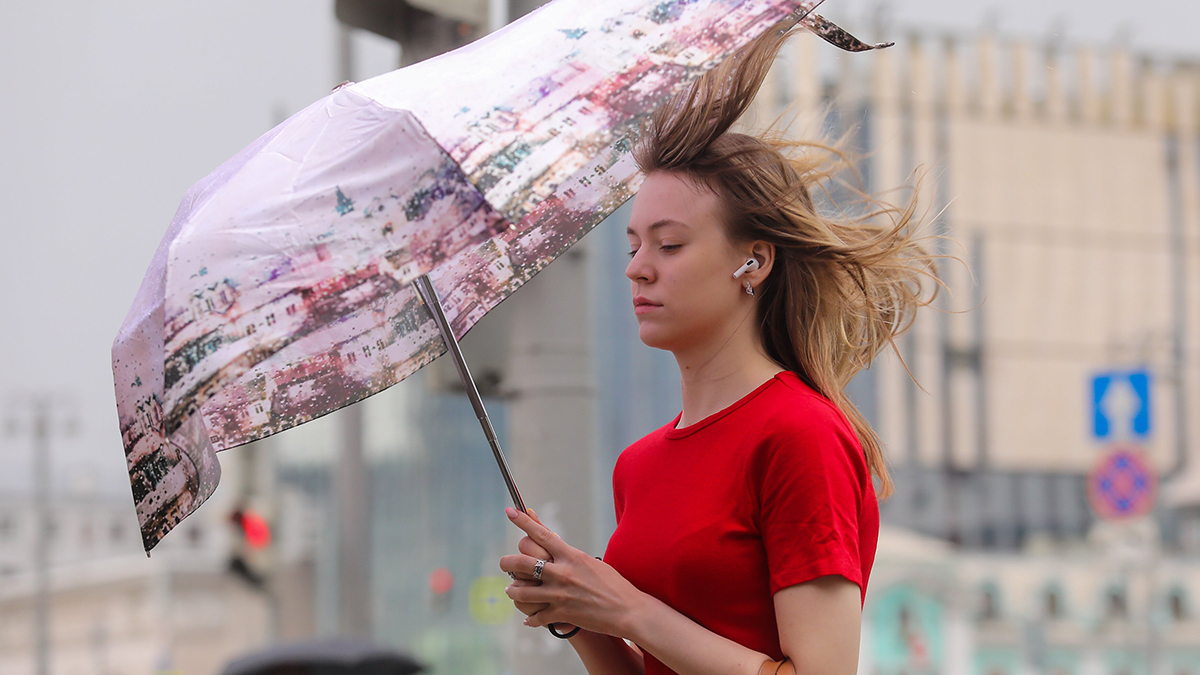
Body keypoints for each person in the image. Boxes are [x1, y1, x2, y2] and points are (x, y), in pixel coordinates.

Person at [497, 22, 938, 675]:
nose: (637, 269)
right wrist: (578, 612)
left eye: (669, 244)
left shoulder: (799, 434)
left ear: (754, 261)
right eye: (633, 245)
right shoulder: (637, 467)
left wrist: (627, 611)